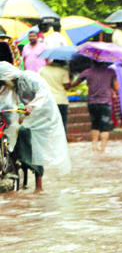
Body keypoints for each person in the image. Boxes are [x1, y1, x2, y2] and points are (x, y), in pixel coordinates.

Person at [0, 62, 71, 192]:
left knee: (35, 146)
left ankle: (39, 185)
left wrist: (32, 106)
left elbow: (42, 92)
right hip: (27, 117)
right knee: (17, 134)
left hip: (42, 117)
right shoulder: (11, 86)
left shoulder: (29, 76)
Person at [71, 60, 118, 153]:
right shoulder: (111, 72)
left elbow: (74, 84)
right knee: (105, 126)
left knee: (95, 125)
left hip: (92, 103)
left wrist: (70, 78)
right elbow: (117, 88)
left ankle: (94, 147)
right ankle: (103, 149)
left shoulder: (87, 72)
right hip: (106, 103)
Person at [38, 60, 71, 130]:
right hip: (61, 101)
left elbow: (38, 83)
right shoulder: (63, 71)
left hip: (47, 100)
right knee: (62, 124)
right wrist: (70, 79)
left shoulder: (42, 69)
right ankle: (61, 140)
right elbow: (66, 87)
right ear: (61, 61)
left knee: (48, 124)